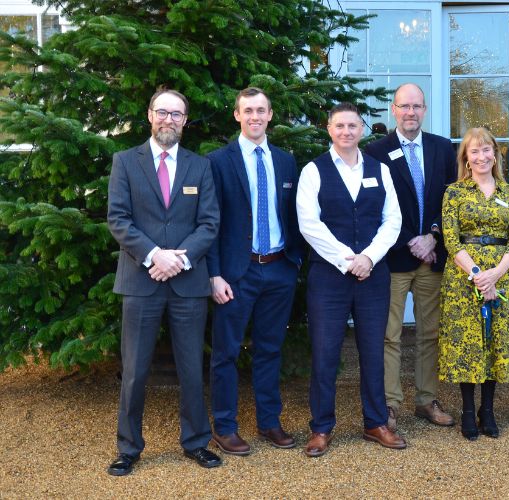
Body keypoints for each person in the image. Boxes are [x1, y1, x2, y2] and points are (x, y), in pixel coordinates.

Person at [106, 89, 221, 476]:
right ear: (149, 115)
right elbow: (118, 219)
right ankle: (128, 448)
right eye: (162, 112)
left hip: (187, 283)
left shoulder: (199, 166)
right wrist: (157, 255)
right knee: (136, 369)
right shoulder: (125, 162)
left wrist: (180, 258)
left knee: (191, 367)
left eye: (177, 113)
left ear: (185, 121)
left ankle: (196, 442)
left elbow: (209, 223)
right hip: (141, 280)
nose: (168, 119)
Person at [296, 102, 406, 457]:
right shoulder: (314, 171)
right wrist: (349, 260)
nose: (346, 132)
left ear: (361, 129)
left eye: (352, 126)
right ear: (330, 129)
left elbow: (393, 220)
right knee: (326, 352)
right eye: (339, 126)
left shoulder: (379, 169)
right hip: (329, 277)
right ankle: (321, 427)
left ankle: (375, 422)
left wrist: (369, 257)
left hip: (373, 274)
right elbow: (309, 224)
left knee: (373, 350)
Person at [206, 87, 303, 455]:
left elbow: (293, 213)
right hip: (236, 272)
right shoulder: (218, 161)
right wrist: (214, 274)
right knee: (226, 352)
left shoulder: (284, 161)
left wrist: (294, 261)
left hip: (278, 269)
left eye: (261, 110)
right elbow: (210, 222)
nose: (255, 117)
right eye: (248, 110)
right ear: (236, 115)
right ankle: (225, 426)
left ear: (270, 114)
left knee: (270, 349)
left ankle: (269, 422)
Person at [365, 83, 457, 431]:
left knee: (429, 332)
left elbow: (448, 201)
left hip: (431, 258)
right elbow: (376, 208)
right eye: (404, 106)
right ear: (393, 109)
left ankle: (426, 399)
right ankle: (389, 404)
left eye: (417, 106)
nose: (410, 113)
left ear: (425, 109)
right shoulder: (376, 152)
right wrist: (409, 241)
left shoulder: (441, 148)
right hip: (393, 259)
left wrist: (433, 236)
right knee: (388, 335)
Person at [439, 127, 509, 441]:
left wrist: (495, 275)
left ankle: (487, 410)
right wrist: (478, 273)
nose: (481, 156)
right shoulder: (455, 192)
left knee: (494, 342)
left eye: (487, 149)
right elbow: (450, 238)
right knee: (469, 343)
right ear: (466, 157)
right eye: (474, 151)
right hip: (464, 278)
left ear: (496, 153)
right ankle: (466, 409)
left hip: (501, 277)